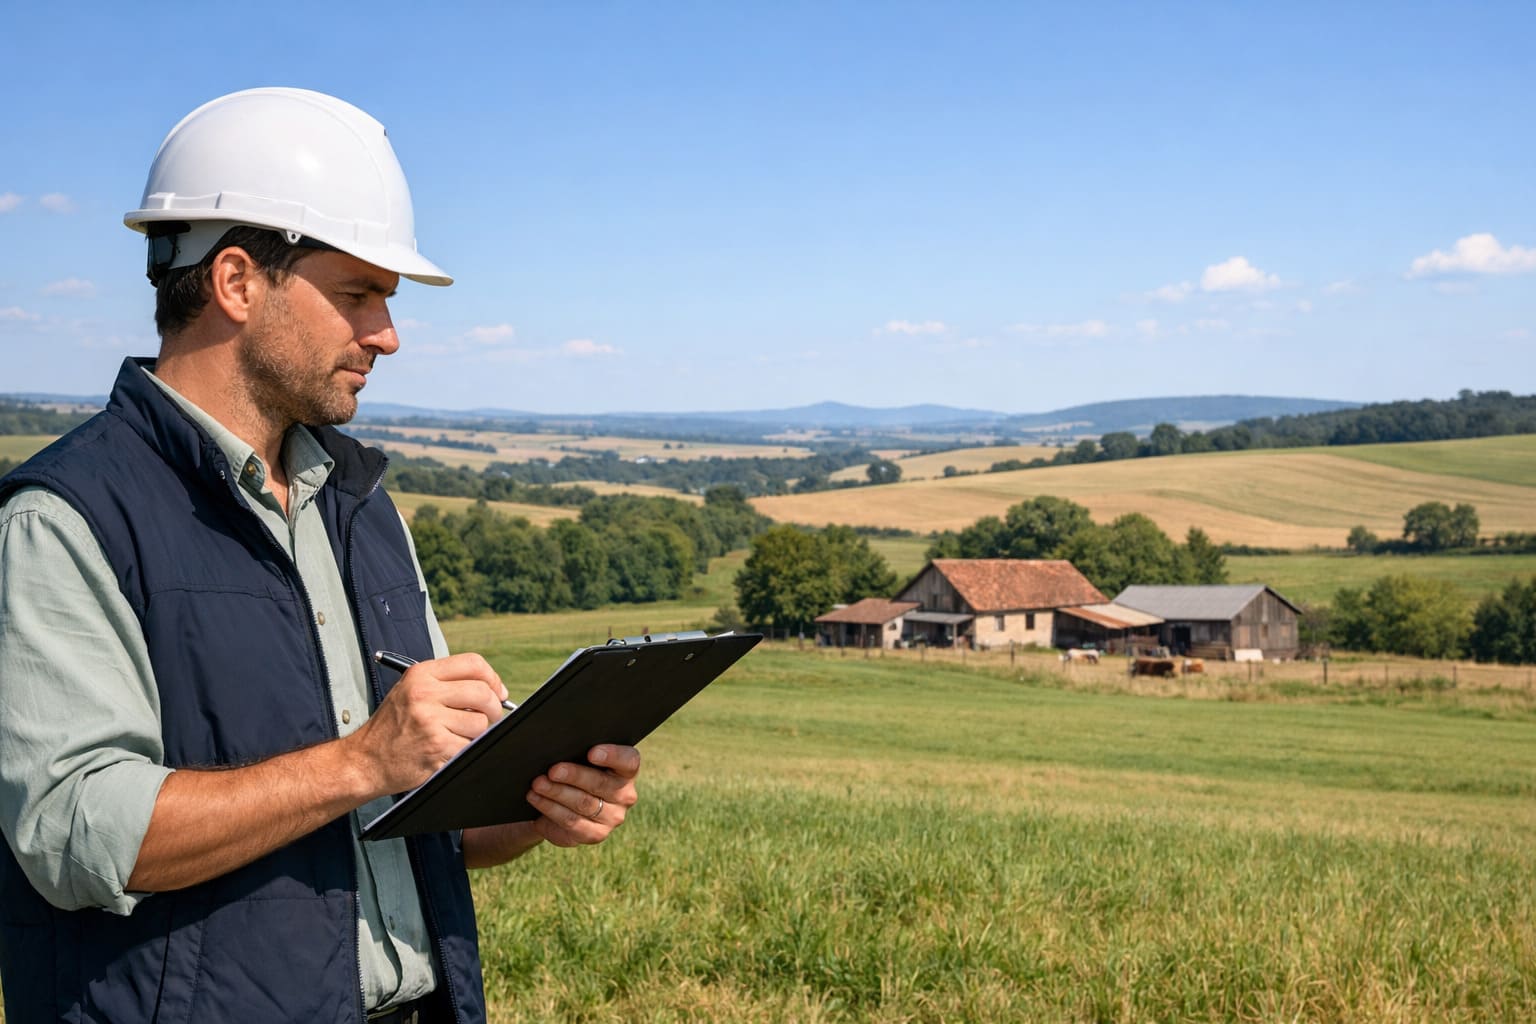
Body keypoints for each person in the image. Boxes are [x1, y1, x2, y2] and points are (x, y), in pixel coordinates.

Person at [0, 87, 641, 1023]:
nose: (387, 332)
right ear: (235, 283)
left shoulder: (359, 506)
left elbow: (421, 819)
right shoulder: (66, 518)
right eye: (357, 294)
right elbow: (73, 836)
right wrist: (360, 761)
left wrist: (537, 806)